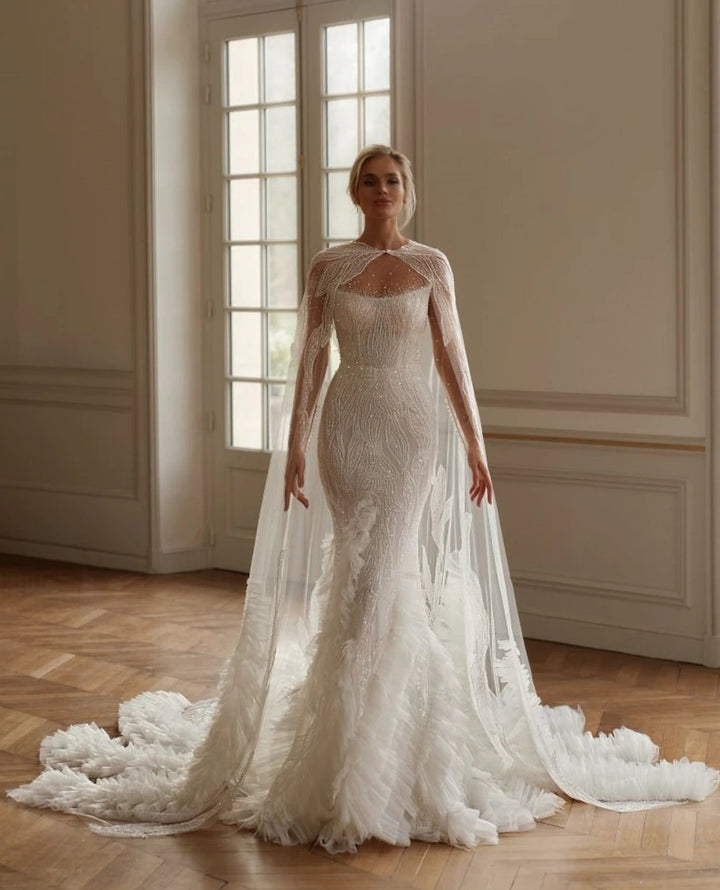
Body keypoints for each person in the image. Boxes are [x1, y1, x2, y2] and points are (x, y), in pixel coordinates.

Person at [8, 145, 718, 853]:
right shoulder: (330, 266)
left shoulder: (432, 265)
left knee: (388, 572)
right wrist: (295, 444)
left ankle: (396, 751)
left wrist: (474, 444)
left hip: (410, 433)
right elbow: (313, 357)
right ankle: (342, 753)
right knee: (358, 570)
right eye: (372, 181)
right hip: (346, 430)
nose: (383, 190)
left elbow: (452, 356)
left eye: (394, 181)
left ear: (409, 192)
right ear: (355, 192)